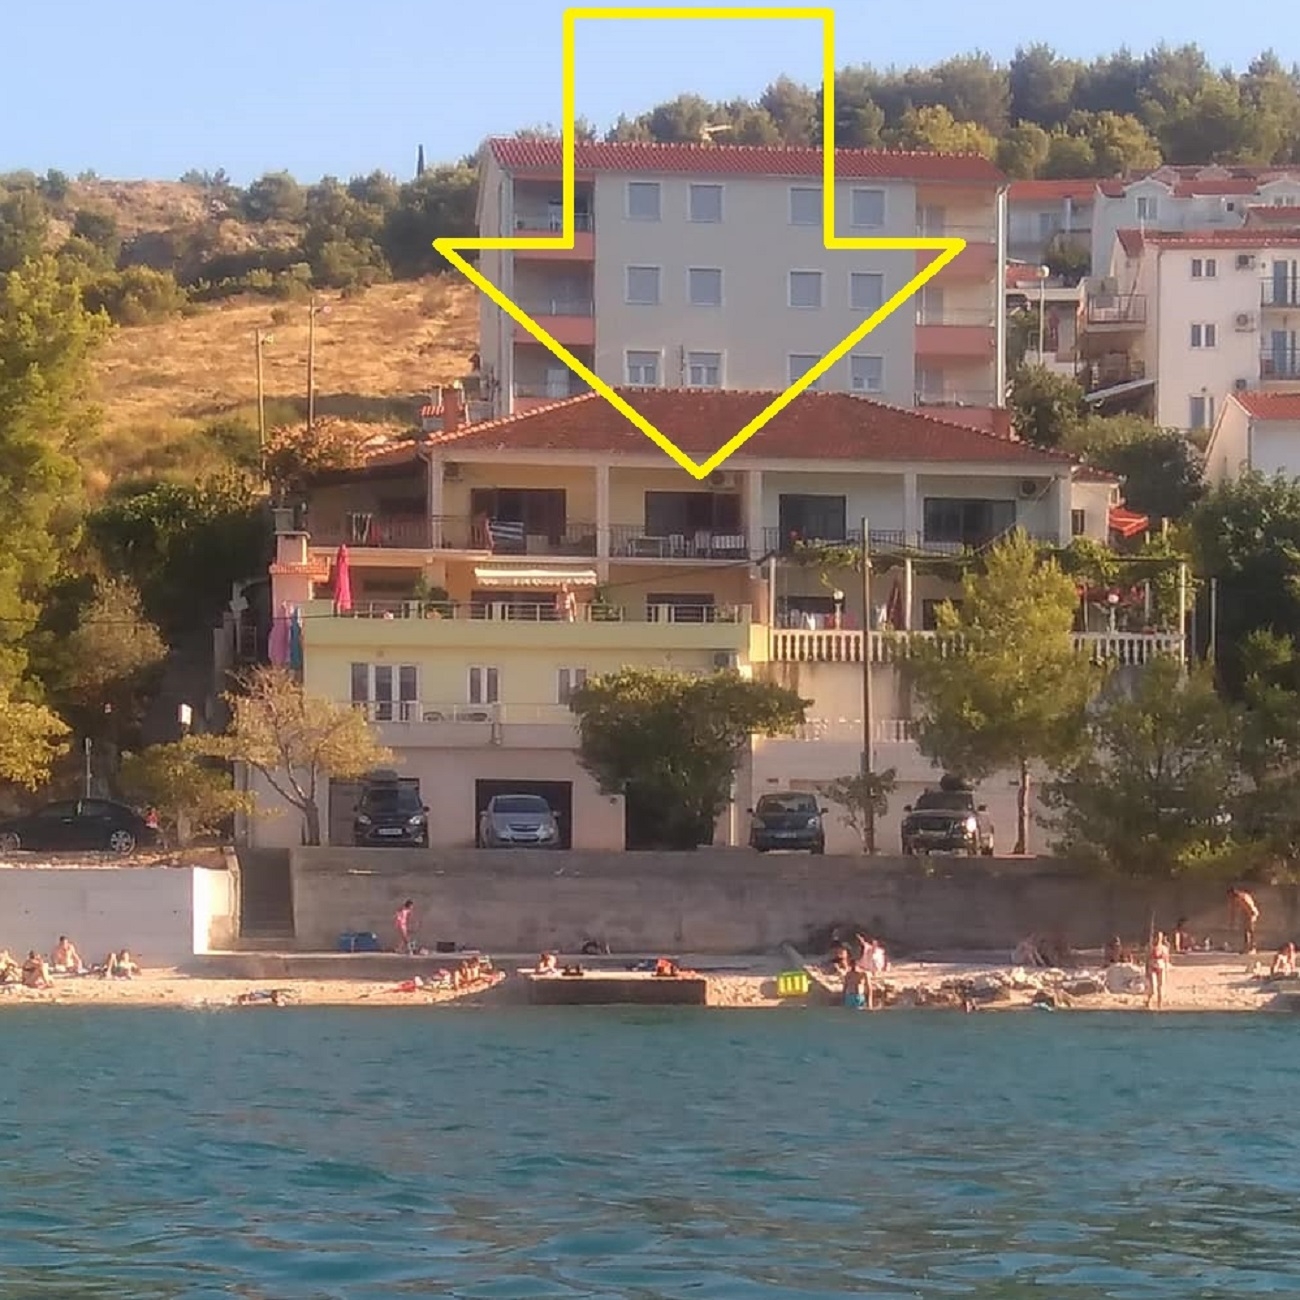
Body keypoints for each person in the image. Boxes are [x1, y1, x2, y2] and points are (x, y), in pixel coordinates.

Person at [1228, 887, 1260, 953]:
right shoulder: (1235, 899)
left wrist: (1251, 915)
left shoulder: (1243, 897)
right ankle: (1246, 947)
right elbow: (1233, 910)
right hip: (1246, 914)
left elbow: (1250, 906)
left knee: (1251, 930)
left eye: (1230, 895)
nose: (1230, 898)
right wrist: (1232, 921)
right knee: (1246, 931)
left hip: (1252, 913)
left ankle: (1253, 948)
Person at [1146, 930, 1171, 1011]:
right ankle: (1149, 1001)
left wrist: (1167, 969)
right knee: (1153, 987)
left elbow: (1166, 960)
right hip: (1152, 968)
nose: (1158, 939)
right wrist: (1147, 971)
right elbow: (1147, 960)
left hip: (1161, 968)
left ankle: (1160, 1004)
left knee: (1160, 987)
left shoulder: (1164, 948)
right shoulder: (1150, 948)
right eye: (1156, 937)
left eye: (1159, 937)